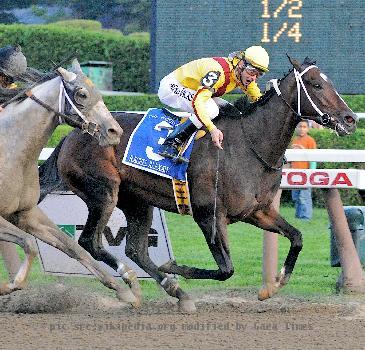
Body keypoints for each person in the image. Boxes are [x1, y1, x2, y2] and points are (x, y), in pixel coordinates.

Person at [157, 45, 269, 162]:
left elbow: (260, 100)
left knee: (232, 111)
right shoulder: (217, 73)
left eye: (259, 74)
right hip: (172, 87)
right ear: (241, 64)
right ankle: (171, 143)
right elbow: (198, 101)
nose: (254, 78)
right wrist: (212, 129)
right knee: (211, 110)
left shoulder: (243, 74)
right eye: (252, 72)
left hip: (194, 90)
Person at [290, 120, 317, 220]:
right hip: (294, 174)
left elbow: (313, 158)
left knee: (304, 196)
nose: (302, 129)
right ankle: (298, 216)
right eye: (300, 126)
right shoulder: (294, 140)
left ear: (308, 129)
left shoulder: (310, 140)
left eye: (304, 127)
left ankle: (306, 216)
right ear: (296, 128)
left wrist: (312, 172)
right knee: (296, 197)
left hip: (306, 173)